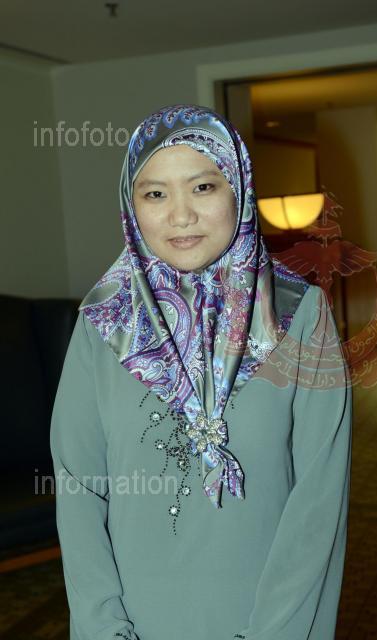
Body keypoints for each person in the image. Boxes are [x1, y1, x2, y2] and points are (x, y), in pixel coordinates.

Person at [50, 103, 353, 640]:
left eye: (204, 187)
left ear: (239, 189)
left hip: (267, 616)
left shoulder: (298, 314)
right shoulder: (104, 323)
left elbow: (319, 500)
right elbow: (78, 488)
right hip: (132, 620)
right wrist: (103, 626)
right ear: (130, 205)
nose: (180, 215)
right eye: (155, 194)